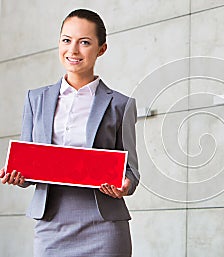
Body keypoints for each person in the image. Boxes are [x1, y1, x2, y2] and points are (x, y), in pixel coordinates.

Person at [0, 9, 139, 257]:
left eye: (84, 42)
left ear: (101, 49)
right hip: (51, 225)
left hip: (104, 226)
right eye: (66, 40)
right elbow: (31, 163)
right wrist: (19, 175)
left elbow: (131, 171)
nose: (73, 50)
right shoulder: (36, 99)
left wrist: (125, 186)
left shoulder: (120, 104)